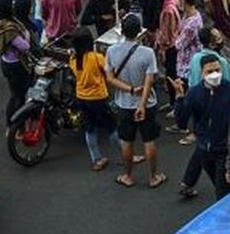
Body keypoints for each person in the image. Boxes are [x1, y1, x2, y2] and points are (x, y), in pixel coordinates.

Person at [105, 14, 166, 189]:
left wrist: (130, 90)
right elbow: (149, 81)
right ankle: (154, 176)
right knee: (149, 140)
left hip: (124, 104)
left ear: (122, 31)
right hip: (147, 104)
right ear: (140, 31)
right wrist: (141, 105)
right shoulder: (147, 53)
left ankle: (127, 175)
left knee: (126, 140)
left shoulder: (112, 51)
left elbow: (110, 78)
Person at [172, 53, 230, 200]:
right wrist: (180, 99)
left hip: (225, 150)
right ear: (201, 73)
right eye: (210, 71)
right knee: (219, 184)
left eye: (217, 70)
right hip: (204, 150)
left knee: (222, 192)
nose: (215, 74)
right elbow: (182, 122)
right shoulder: (194, 94)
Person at [70, 30, 120, 172]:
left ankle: (97, 159)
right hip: (98, 97)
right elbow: (108, 73)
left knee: (90, 128)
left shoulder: (73, 59)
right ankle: (125, 154)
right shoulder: (97, 57)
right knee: (111, 127)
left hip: (81, 97)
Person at [0, 0, 37, 125]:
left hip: (7, 63)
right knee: (19, 96)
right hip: (17, 66)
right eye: (11, 4)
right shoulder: (10, 29)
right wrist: (27, 36)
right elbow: (25, 46)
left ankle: (13, 124)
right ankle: (18, 124)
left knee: (15, 95)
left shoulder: (2, 24)